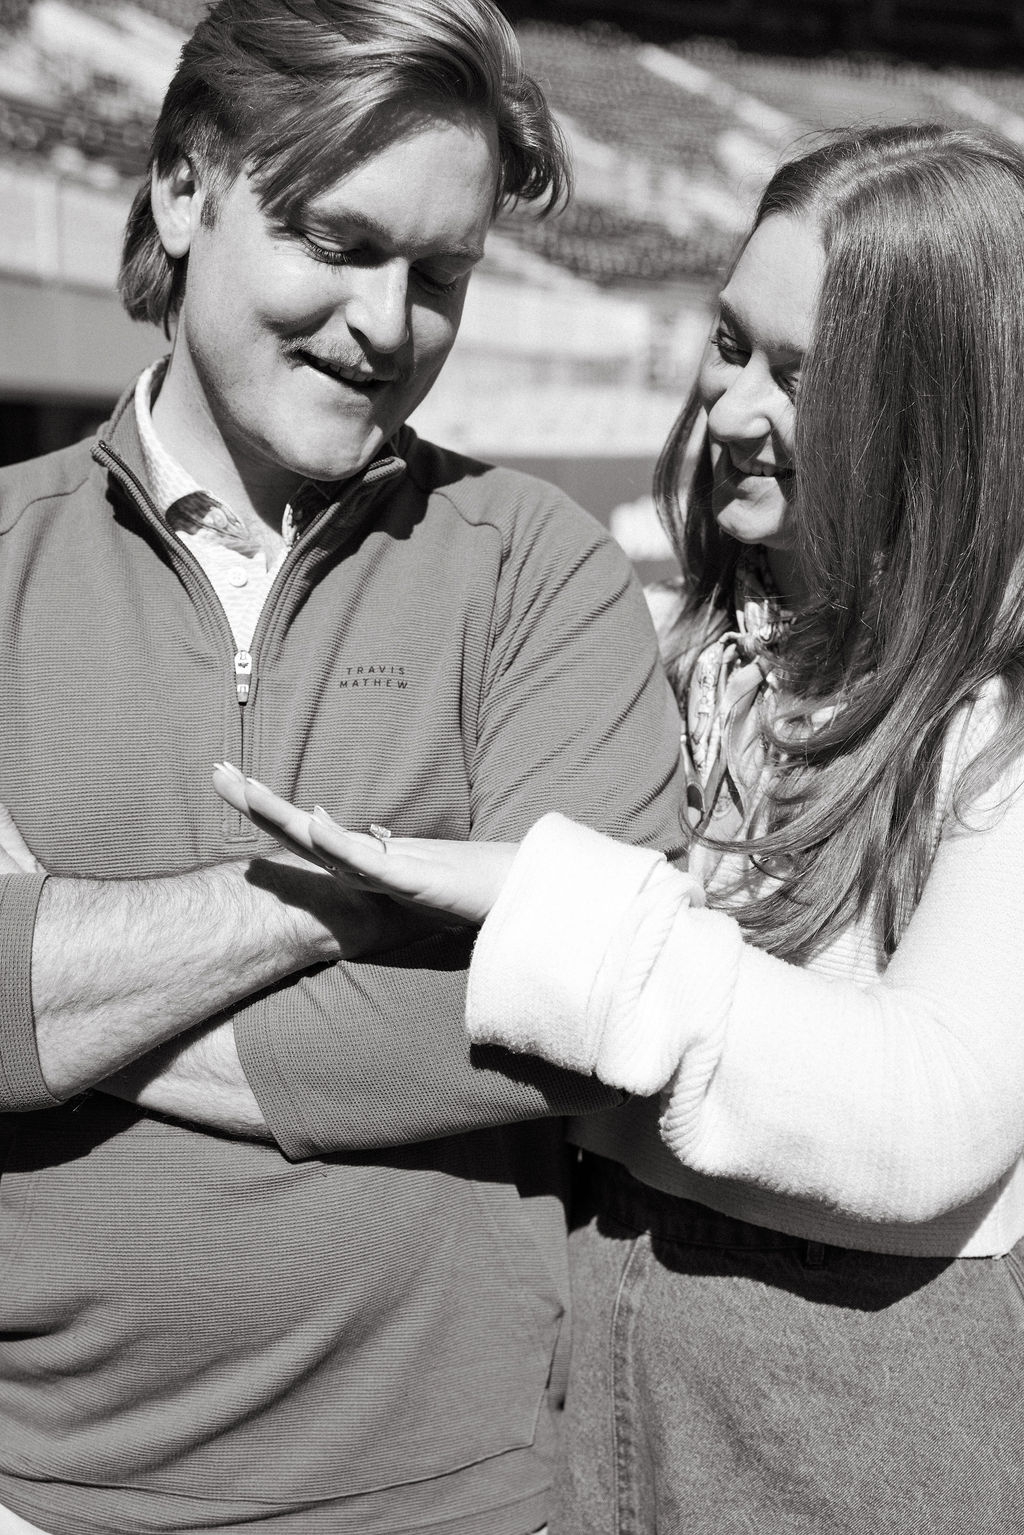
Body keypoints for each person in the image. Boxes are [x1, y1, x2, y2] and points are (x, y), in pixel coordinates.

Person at [229, 125, 1024, 1534]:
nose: (732, 407)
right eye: (729, 344)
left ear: (936, 412)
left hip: (859, 1411)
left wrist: (554, 919)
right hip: (590, 1359)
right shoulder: (658, 646)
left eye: (803, 377)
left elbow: (925, 1126)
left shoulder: (997, 719)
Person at [0, 2, 687, 1531]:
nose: (386, 325)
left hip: (456, 1497)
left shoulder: (540, 571)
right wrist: (357, 898)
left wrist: (52, 992)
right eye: (340, 242)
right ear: (184, 189)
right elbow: (484, 988)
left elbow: (584, 1017)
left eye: (440, 277)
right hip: (36, 1491)